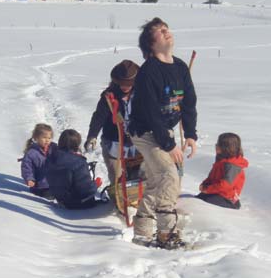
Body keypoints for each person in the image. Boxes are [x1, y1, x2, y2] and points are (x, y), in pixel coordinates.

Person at [128, 17, 198, 249]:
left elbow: (188, 102)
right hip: (146, 131)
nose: (167, 33)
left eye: (167, 29)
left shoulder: (179, 67)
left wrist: (190, 134)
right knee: (169, 175)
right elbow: (150, 113)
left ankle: (142, 231)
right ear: (151, 44)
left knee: (158, 181)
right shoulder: (149, 72)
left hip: (163, 129)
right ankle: (167, 234)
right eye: (160, 31)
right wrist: (169, 144)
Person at [84, 59, 140, 184]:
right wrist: (92, 135)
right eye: (122, 83)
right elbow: (99, 117)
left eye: (129, 83)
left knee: (137, 177)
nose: (125, 86)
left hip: (136, 143)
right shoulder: (109, 96)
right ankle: (119, 201)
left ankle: (135, 201)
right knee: (116, 177)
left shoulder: (141, 94)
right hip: (113, 142)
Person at [45, 129, 102, 209]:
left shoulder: (51, 158)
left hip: (60, 199)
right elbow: (85, 190)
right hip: (78, 204)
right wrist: (96, 184)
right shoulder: (79, 162)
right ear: (77, 144)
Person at [198, 133, 248, 209]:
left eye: (219, 144)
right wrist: (205, 185)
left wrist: (208, 189)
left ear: (227, 148)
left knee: (205, 203)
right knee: (197, 199)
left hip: (228, 199)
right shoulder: (221, 161)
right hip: (216, 193)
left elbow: (225, 185)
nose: (216, 146)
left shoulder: (232, 165)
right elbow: (211, 178)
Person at [21, 123, 55, 199]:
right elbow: (27, 168)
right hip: (39, 186)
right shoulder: (31, 153)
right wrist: (29, 179)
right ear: (36, 138)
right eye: (44, 137)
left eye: (49, 138)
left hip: (53, 183)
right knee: (50, 195)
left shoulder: (53, 148)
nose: (47, 140)